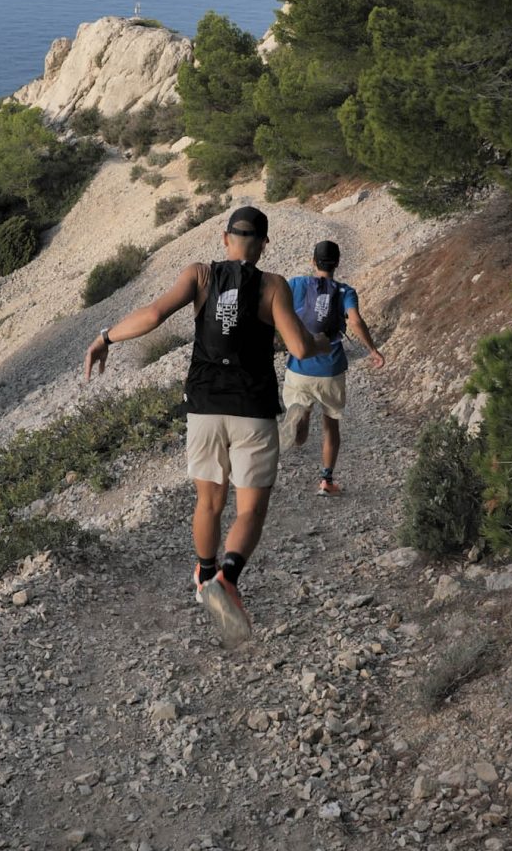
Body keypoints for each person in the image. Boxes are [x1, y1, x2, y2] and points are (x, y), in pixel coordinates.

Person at [83, 206, 330, 648]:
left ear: (224, 239)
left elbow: (155, 315)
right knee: (250, 509)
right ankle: (228, 577)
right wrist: (319, 340)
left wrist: (105, 338)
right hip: (252, 409)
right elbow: (298, 346)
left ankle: (203, 570)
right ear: (264, 244)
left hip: (203, 406)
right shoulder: (272, 285)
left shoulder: (199, 275)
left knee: (209, 501)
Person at [280, 240, 385, 496]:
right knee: (331, 425)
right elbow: (356, 321)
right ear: (337, 263)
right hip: (331, 368)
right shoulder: (345, 291)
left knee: (301, 428)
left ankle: (299, 418)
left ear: (312, 262)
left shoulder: (296, 284)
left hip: (299, 365)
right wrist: (372, 350)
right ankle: (326, 481)